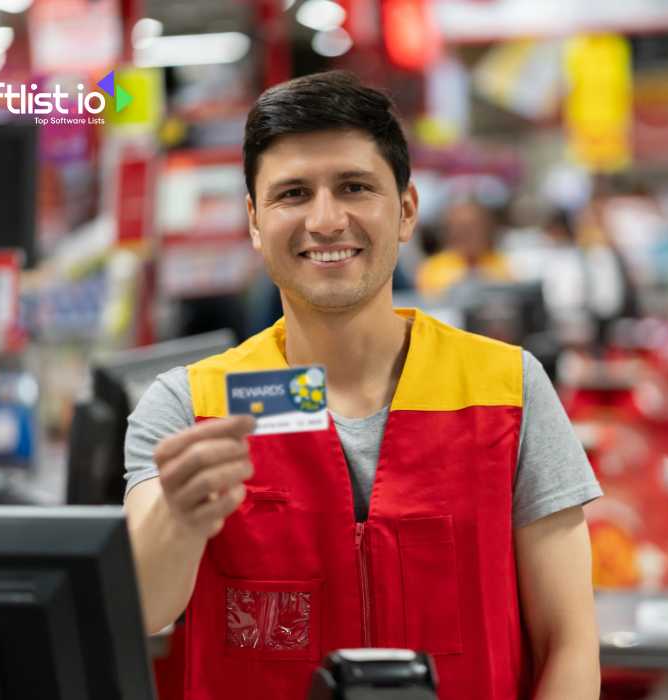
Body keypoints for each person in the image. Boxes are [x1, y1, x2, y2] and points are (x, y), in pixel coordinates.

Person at [123, 71, 602, 700]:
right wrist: (182, 519)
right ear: (254, 221)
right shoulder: (190, 406)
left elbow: (569, 641)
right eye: (293, 193)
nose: (325, 220)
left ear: (404, 211)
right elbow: (144, 609)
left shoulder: (507, 387)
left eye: (354, 187)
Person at [415, 198, 513, 298]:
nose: (467, 234)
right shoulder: (431, 269)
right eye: (460, 227)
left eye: (474, 227)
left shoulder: (505, 264)